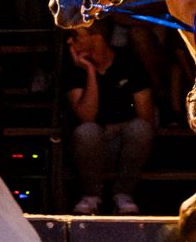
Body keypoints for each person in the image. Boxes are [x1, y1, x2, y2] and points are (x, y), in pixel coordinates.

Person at [63, 23, 156, 215]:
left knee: (140, 128)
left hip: (125, 146)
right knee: (87, 131)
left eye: (76, 36)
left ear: (96, 37)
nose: (70, 41)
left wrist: (114, 127)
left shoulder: (128, 61)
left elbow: (146, 116)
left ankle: (123, 195)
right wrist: (90, 70)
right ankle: (91, 196)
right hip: (92, 149)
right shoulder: (75, 66)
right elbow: (87, 116)